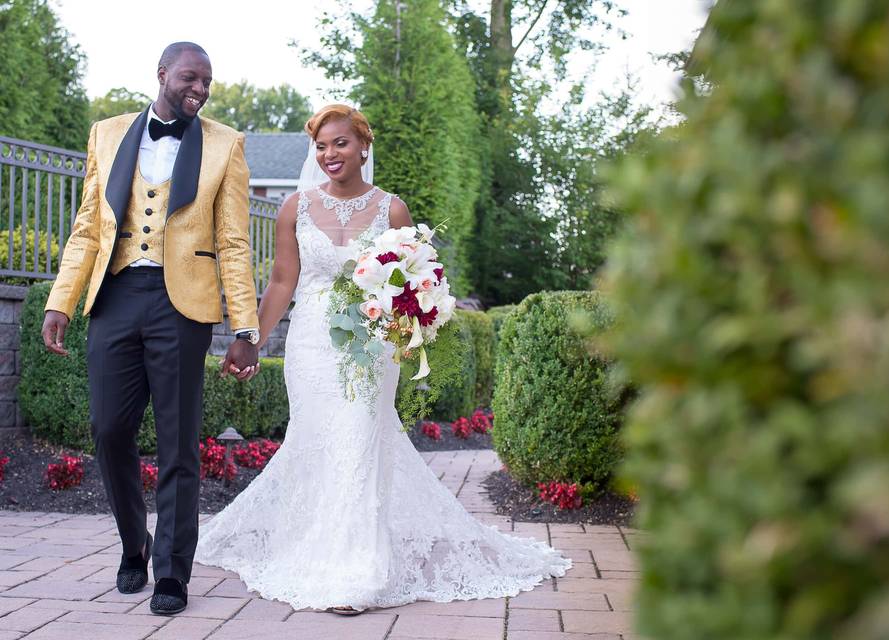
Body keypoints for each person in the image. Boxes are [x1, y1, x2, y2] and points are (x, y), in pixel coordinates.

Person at [195, 104, 570, 614]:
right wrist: (250, 339)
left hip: (371, 346)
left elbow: (416, 280)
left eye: (341, 143)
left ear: (363, 146)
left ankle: (357, 568)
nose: (330, 154)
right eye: (321, 146)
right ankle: (310, 547)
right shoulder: (294, 208)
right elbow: (283, 282)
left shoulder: (391, 210)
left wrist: (409, 330)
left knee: (359, 438)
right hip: (311, 344)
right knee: (315, 439)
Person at [41, 42, 260, 616]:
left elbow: (235, 242)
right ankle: (132, 542)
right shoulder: (107, 133)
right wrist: (60, 300)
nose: (201, 89)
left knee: (179, 441)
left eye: (208, 81)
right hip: (115, 296)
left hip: (182, 306)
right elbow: (89, 225)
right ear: (162, 74)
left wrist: (246, 326)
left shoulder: (225, 144)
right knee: (109, 428)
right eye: (191, 78)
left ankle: (171, 572)